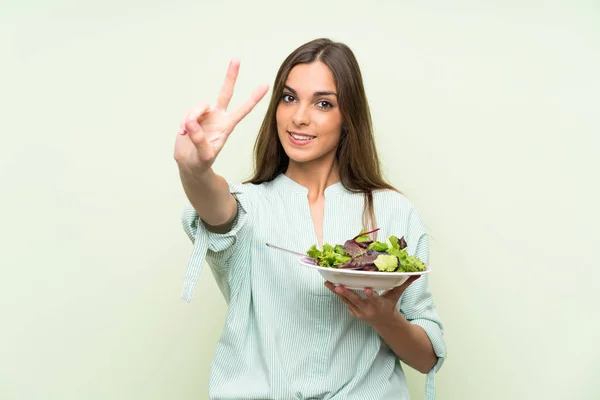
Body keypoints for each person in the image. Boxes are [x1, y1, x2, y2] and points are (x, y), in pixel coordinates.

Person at [174, 38, 446, 400]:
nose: (299, 116)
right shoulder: (251, 206)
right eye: (289, 98)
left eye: (323, 103)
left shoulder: (393, 211)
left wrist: (383, 318)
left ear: (347, 115)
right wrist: (193, 170)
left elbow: (427, 359)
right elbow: (217, 209)